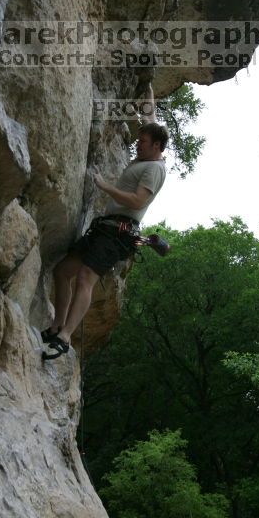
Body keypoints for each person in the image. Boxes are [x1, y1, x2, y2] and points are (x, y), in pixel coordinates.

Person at [41, 84, 168, 359]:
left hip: (119, 233)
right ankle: (56, 326)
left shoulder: (154, 170)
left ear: (156, 147)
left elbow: (137, 201)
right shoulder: (150, 149)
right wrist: (148, 88)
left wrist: (105, 186)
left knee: (86, 276)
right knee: (63, 271)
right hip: (107, 228)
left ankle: (64, 337)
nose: (138, 143)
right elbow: (150, 119)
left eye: (143, 142)